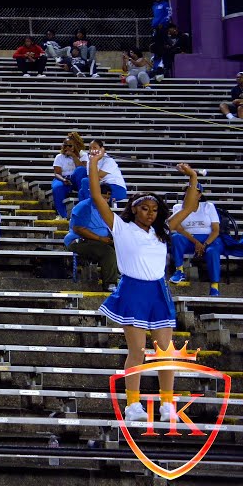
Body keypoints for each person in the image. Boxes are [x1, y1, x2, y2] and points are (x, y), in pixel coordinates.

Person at [87, 150, 195, 424]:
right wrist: (93, 163)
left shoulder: (164, 230)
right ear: (134, 208)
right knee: (136, 350)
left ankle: (167, 403)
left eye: (154, 209)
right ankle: (133, 404)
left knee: (164, 348)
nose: (150, 213)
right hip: (133, 290)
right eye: (145, 208)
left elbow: (189, 207)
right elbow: (98, 197)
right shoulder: (121, 227)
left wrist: (193, 178)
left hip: (158, 291)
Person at [169, 183, 222, 296]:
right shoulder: (178, 208)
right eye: (188, 191)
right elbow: (178, 229)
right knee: (176, 238)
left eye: (194, 191)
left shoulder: (208, 206)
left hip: (209, 239)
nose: (190, 194)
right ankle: (179, 270)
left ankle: (214, 286)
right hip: (190, 239)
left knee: (212, 251)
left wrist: (205, 244)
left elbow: (215, 230)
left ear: (200, 195)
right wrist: (196, 242)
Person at [65, 183, 119, 291]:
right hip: (79, 241)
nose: (106, 200)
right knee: (107, 251)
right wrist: (100, 239)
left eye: (108, 198)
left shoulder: (105, 209)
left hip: (98, 242)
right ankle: (110, 284)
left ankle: (122, 279)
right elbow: (78, 229)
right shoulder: (85, 206)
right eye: (103, 197)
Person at [50, 133, 86, 220]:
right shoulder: (59, 157)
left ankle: (83, 208)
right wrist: (63, 179)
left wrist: (74, 156)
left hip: (76, 178)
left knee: (80, 170)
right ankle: (62, 214)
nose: (67, 148)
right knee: (57, 187)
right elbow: (57, 173)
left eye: (70, 146)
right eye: (65, 145)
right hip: (63, 178)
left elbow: (83, 169)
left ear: (75, 146)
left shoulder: (82, 156)